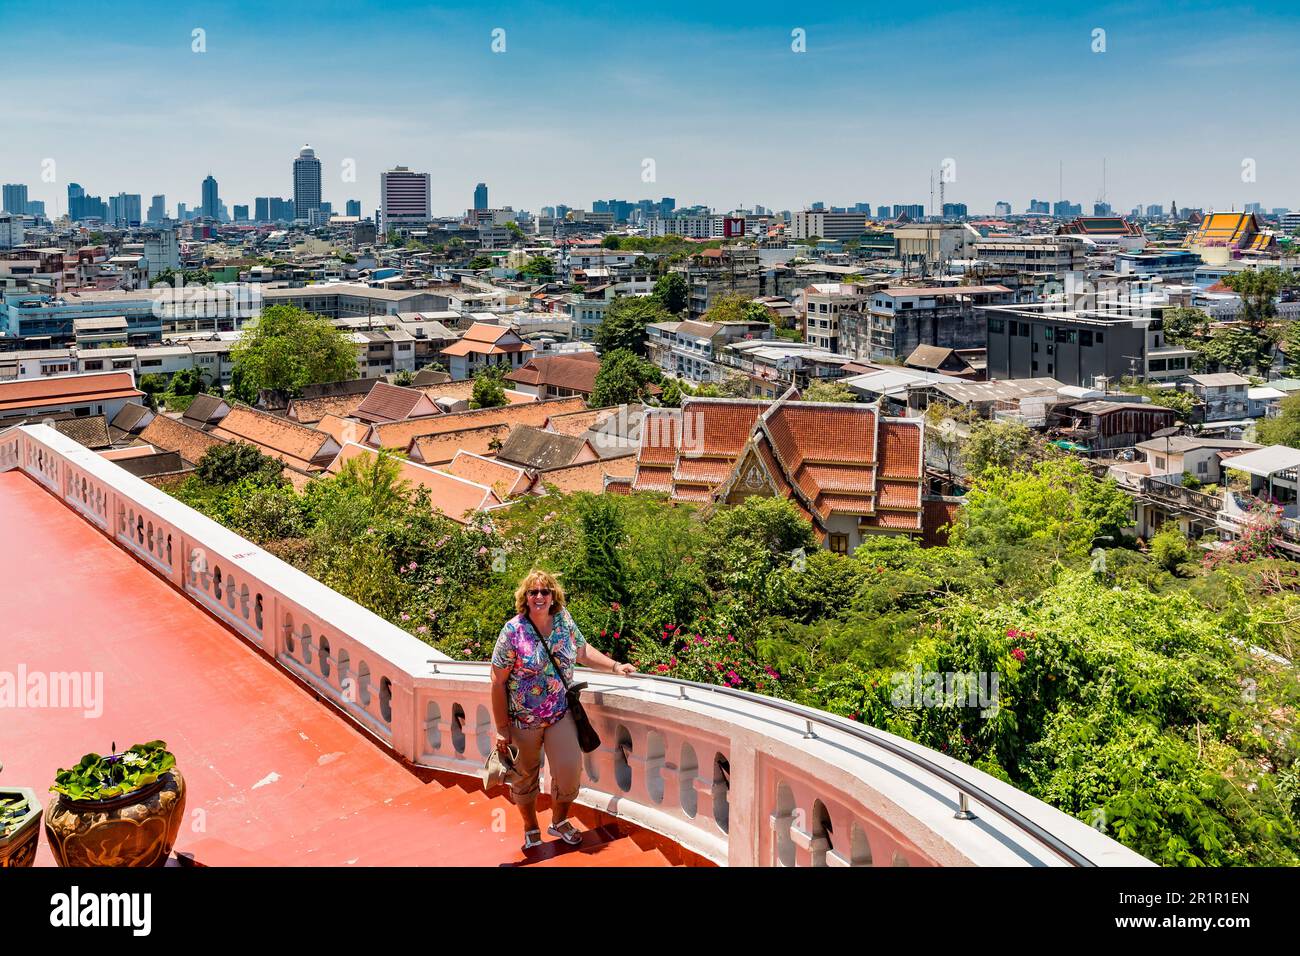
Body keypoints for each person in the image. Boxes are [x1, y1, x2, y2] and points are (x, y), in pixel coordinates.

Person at [490, 569, 635, 852]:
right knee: (524, 776)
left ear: (553, 596)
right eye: (534, 592)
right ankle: (531, 826)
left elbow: (582, 651)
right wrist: (501, 727)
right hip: (522, 719)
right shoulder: (513, 631)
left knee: (569, 769)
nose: (540, 596)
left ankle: (559, 820)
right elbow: (497, 681)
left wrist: (616, 666)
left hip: (559, 713)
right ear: (525, 597)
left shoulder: (563, 620)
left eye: (545, 591)